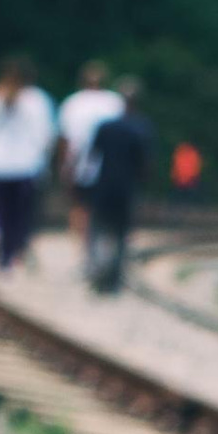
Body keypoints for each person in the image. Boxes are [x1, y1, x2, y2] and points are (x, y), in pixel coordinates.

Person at [0, 53, 57, 271]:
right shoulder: (37, 100)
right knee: (20, 215)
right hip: (26, 166)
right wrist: (45, 164)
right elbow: (46, 136)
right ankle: (13, 254)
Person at [80, 80, 153, 294]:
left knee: (98, 229)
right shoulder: (142, 129)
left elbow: (92, 157)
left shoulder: (106, 126)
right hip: (126, 189)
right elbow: (145, 165)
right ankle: (113, 278)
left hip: (103, 186)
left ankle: (96, 269)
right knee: (121, 235)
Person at [55, 57, 126, 247]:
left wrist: (63, 166)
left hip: (79, 164)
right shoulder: (115, 102)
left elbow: (65, 139)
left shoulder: (72, 103)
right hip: (110, 165)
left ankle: (83, 245)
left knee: (80, 206)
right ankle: (101, 244)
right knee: (104, 207)